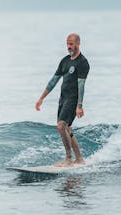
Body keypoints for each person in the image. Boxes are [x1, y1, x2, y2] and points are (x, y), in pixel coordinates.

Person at [35, 33, 90, 166]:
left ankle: (68, 159)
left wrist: (80, 106)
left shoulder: (82, 63)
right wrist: (41, 98)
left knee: (61, 127)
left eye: (71, 44)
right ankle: (79, 159)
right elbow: (53, 80)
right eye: (67, 43)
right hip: (63, 99)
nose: (68, 46)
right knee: (67, 129)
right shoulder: (65, 61)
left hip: (73, 99)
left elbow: (81, 85)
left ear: (78, 44)